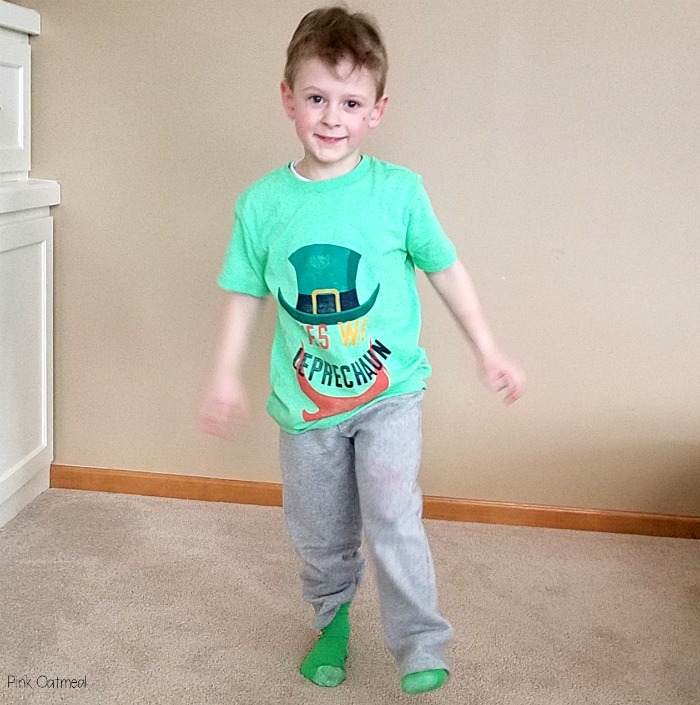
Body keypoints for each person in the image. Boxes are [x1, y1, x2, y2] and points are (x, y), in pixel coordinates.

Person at [200, 5, 525, 695]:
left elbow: (446, 270)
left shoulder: (399, 192)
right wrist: (224, 375)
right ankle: (334, 617)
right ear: (288, 97)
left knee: (392, 511)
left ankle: (419, 639)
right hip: (304, 405)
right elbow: (243, 294)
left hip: (390, 393)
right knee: (319, 531)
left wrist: (487, 347)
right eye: (316, 97)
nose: (331, 116)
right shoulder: (261, 204)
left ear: (377, 109)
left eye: (350, 101)